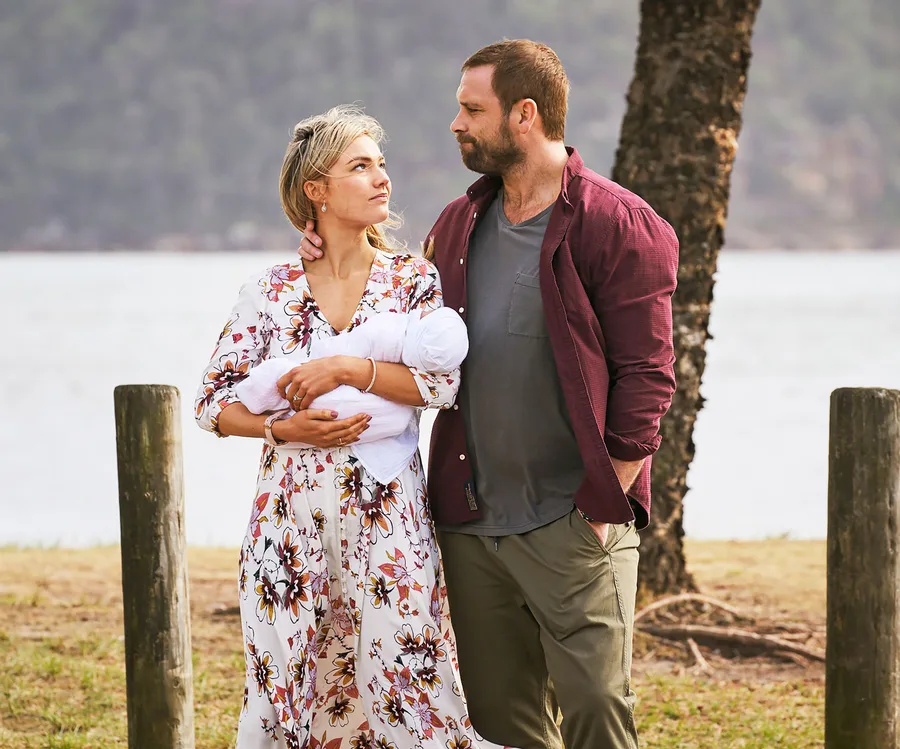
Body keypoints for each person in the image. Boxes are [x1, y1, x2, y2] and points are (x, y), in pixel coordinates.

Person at [297, 41, 679, 749]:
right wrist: (326, 247)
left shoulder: (616, 223)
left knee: (598, 707)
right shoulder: (458, 224)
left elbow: (650, 376)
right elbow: (395, 316)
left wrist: (603, 505)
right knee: (501, 725)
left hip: (573, 522)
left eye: (472, 109)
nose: (456, 123)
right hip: (471, 528)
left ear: (524, 115)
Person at [195, 105, 506, 749]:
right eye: (360, 167)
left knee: (404, 678)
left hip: (387, 516)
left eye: (381, 165)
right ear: (317, 188)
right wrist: (282, 432)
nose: (381, 179)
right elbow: (213, 403)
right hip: (287, 519)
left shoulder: (411, 279)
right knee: (290, 680)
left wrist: (348, 365)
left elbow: (440, 386)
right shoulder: (271, 291)